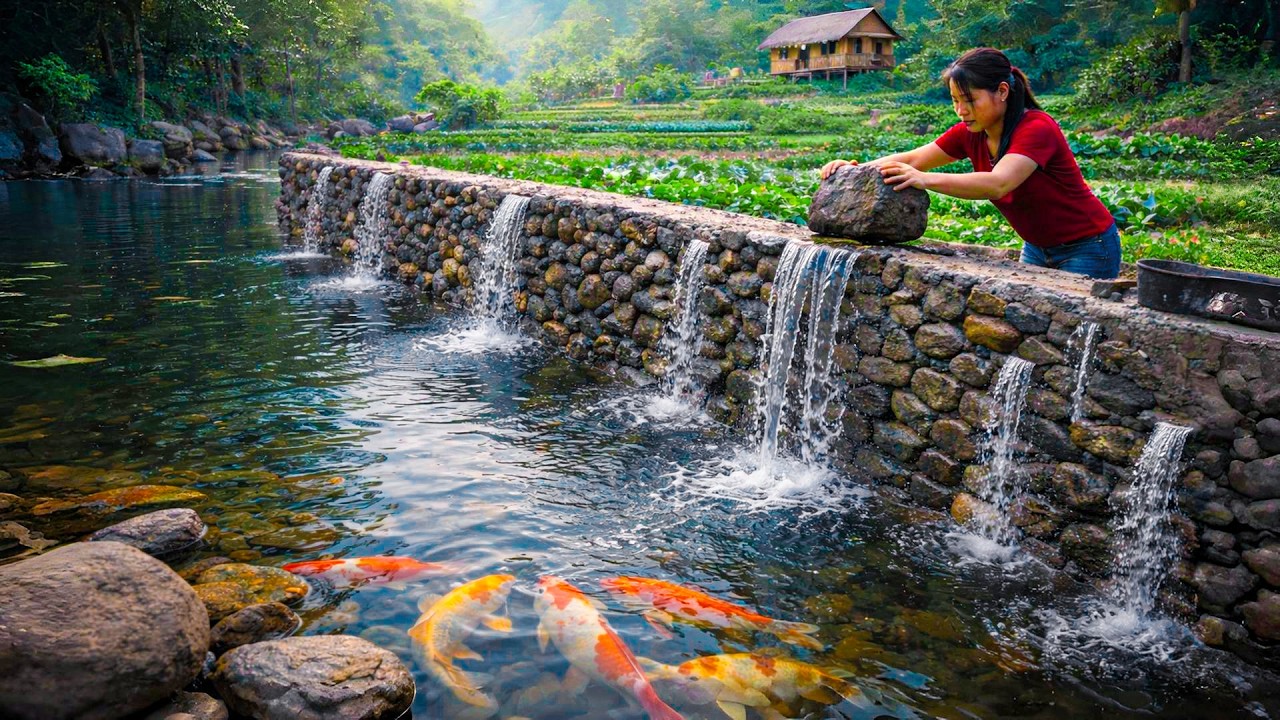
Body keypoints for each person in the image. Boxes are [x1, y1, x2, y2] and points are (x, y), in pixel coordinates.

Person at [821, 47, 1120, 280]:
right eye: (954, 101)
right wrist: (854, 169)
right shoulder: (971, 132)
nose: (961, 110)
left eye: (970, 100)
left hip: (1088, 246)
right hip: (1036, 246)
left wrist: (924, 179)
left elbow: (999, 182)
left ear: (1002, 91)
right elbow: (915, 158)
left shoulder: (1036, 128)